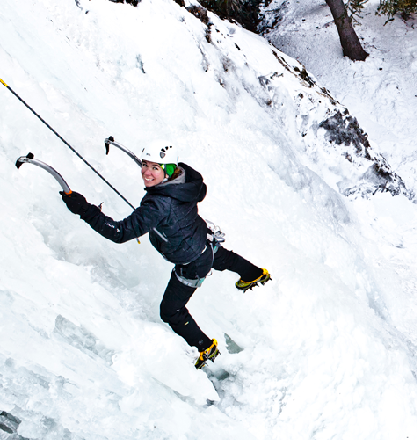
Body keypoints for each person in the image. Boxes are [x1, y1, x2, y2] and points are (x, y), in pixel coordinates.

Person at [59, 142, 271, 369]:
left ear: (169, 172)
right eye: (144, 165)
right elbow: (163, 182)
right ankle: (256, 274)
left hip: (191, 261)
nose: (146, 172)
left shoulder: (157, 206)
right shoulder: (187, 180)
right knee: (223, 258)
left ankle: (205, 346)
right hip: (201, 239)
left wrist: (83, 209)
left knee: (170, 311)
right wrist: (155, 170)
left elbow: (119, 233)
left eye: (155, 168)